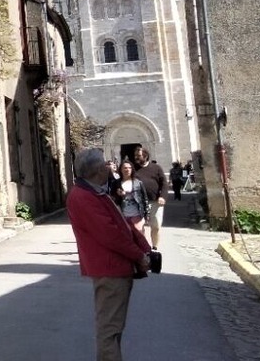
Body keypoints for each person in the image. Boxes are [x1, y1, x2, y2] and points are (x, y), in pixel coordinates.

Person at [68, 148, 153, 361]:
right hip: (110, 269)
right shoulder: (83, 196)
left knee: (113, 327)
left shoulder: (94, 191)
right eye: (105, 164)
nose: (108, 167)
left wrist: (144, 248)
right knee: (109, 328)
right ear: (98, 169)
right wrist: (138, 256)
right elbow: (110, 235)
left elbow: (120, 226)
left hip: (114, 267)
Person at [131, 147, 167, 249]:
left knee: (155, 226)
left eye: (139, 156)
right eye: (136, 156)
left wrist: (163, 196)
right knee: (138, 227)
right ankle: (143, 248)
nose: (136, 158)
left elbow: (164, 183)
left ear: (145, 156)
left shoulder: (156, 168)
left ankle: (154, 247)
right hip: (139, 203)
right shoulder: (133, 169)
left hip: (155, 201)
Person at [115, 161, 148, 233]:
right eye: (125, 168)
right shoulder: (116, 183)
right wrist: (118, 195)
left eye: (130, 168)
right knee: (127, 237)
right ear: (121, 169)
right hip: (123, 215)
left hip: (137, 214)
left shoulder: (138, 182)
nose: (127, 170)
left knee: (139, 236)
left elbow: (144, 198)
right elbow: (112, 199)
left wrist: (146, 214)